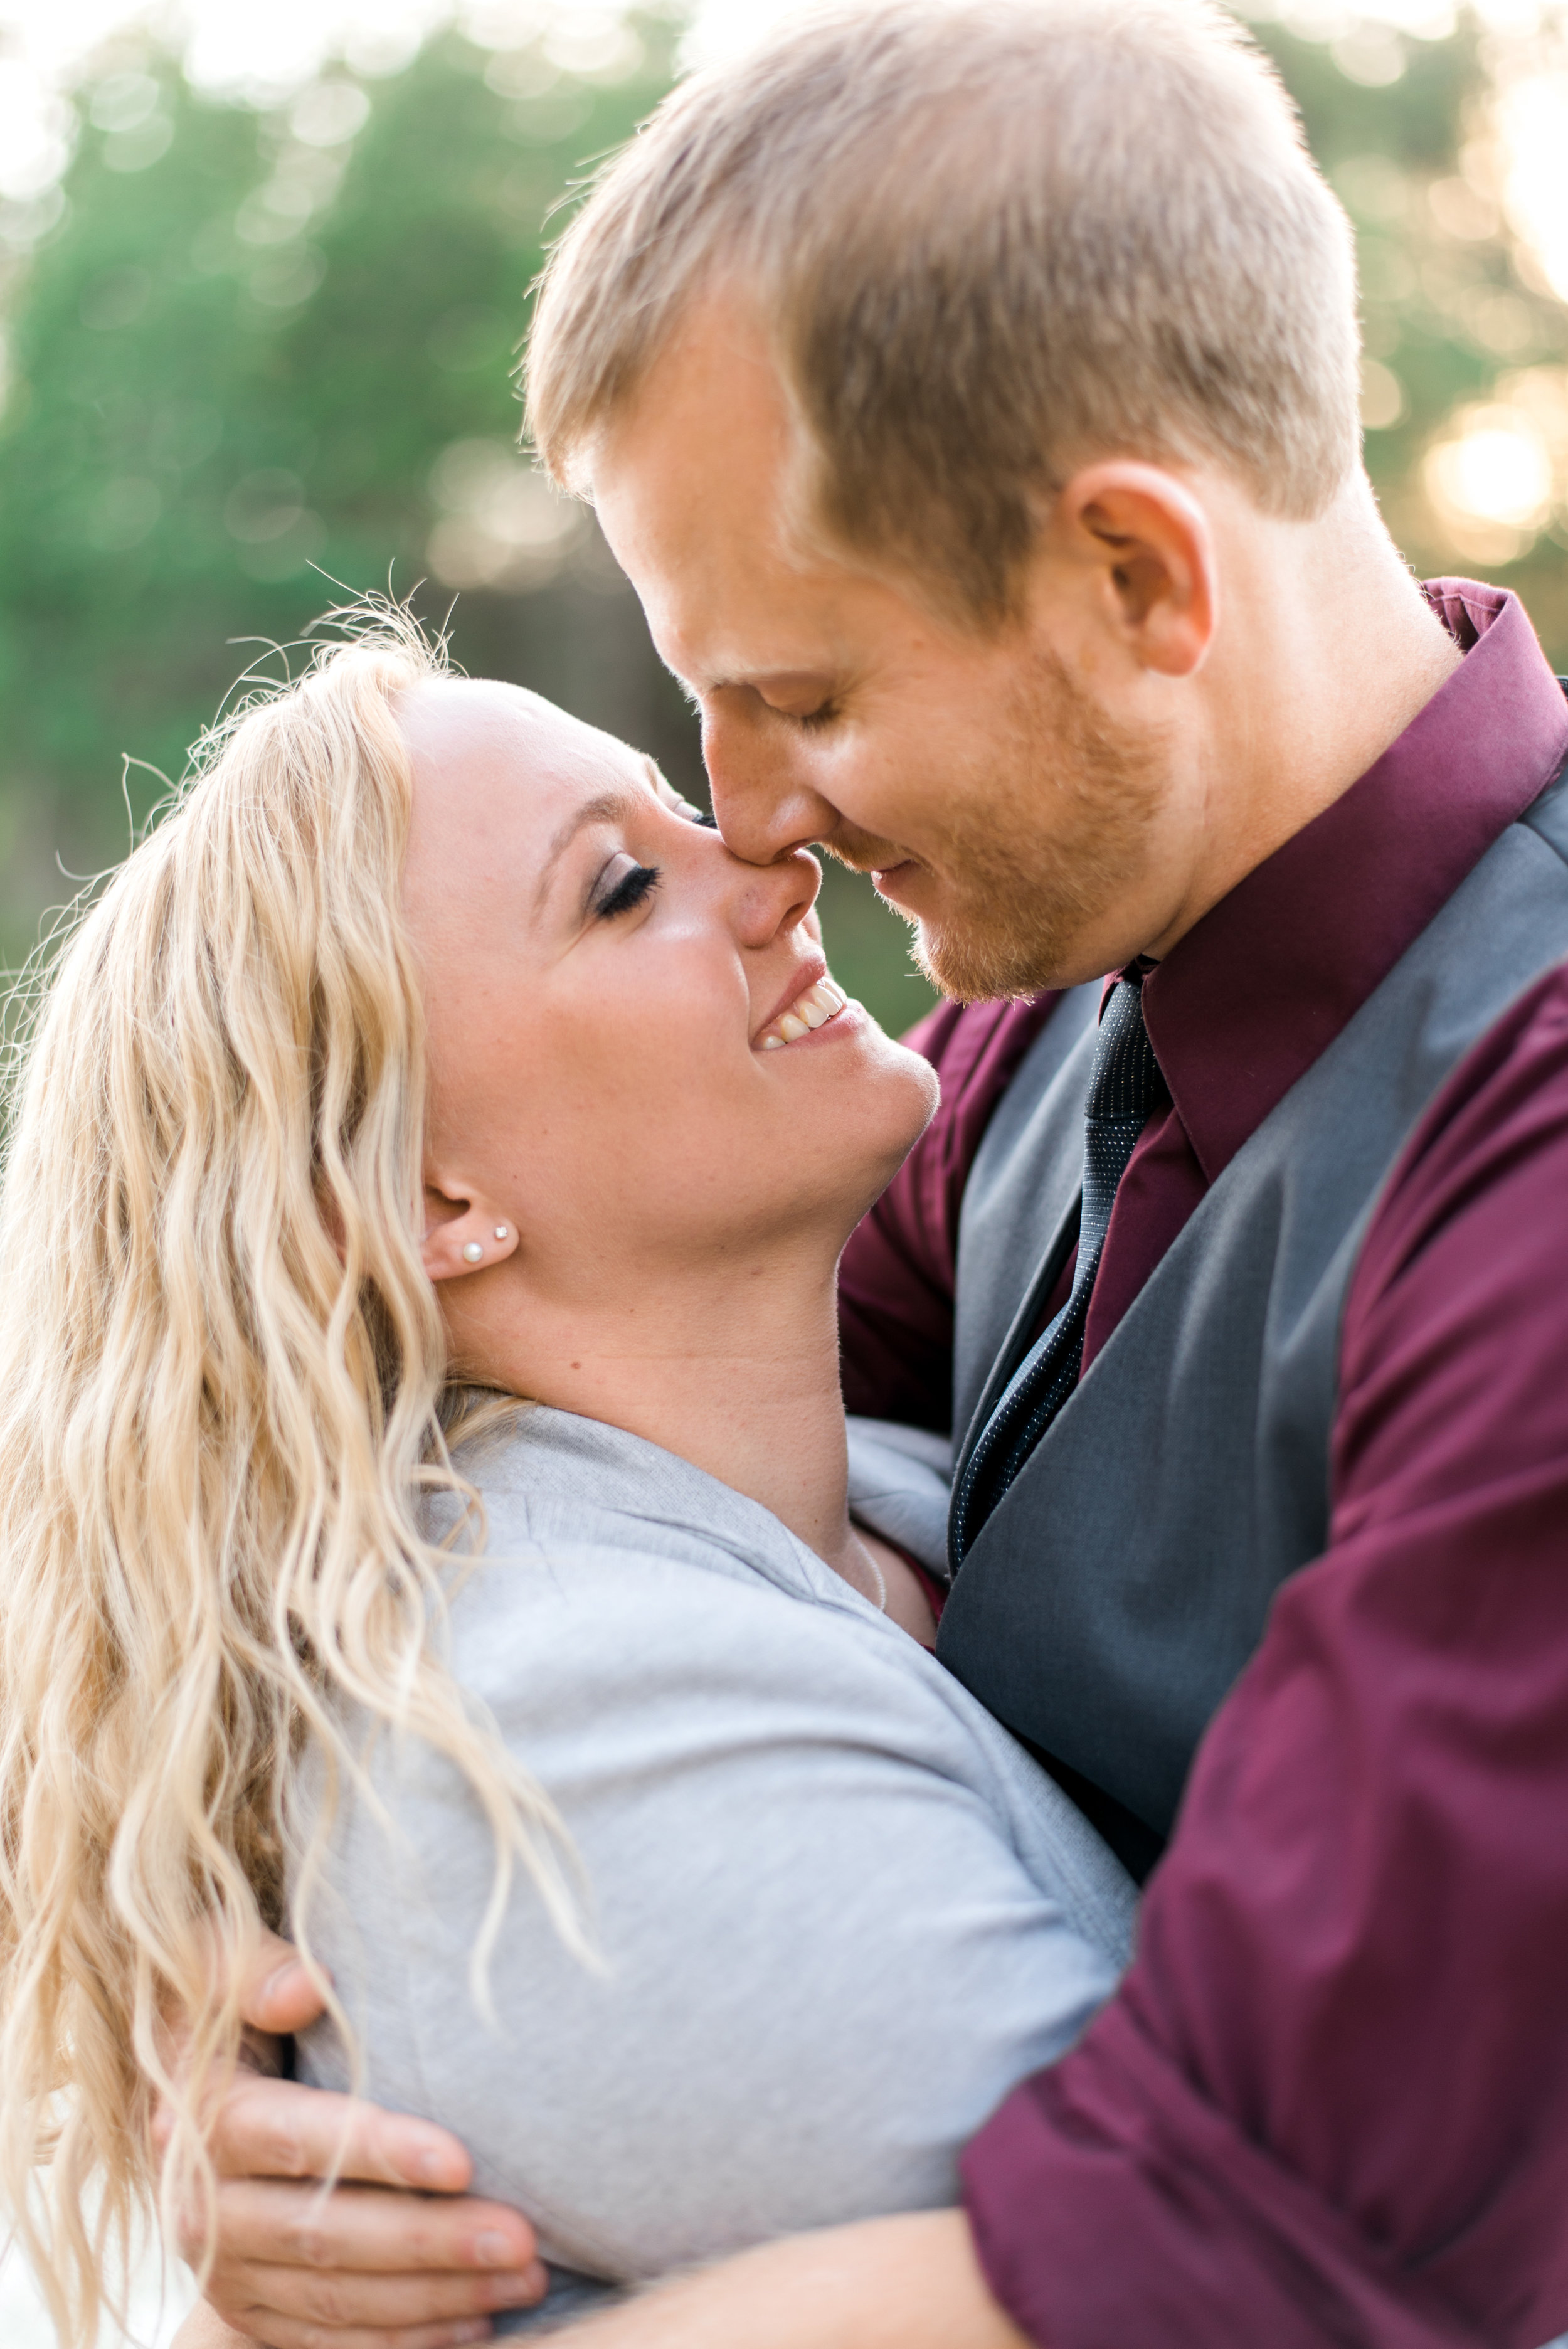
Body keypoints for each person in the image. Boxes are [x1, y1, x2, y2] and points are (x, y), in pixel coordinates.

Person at [176, 1, 1568, 2345]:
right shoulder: (1028, 1041)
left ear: (1137, 577)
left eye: (808, 698)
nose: (746, 818)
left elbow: (1269, 2247)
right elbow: (476, 1385)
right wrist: (189, 1990)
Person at [0, 613, 1144, 2349]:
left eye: (682, 821)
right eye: (622, 889)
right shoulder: (549, 1740)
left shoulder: (900, 1471)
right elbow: (1271, 2270)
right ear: (424, 1201)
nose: (770, 862)